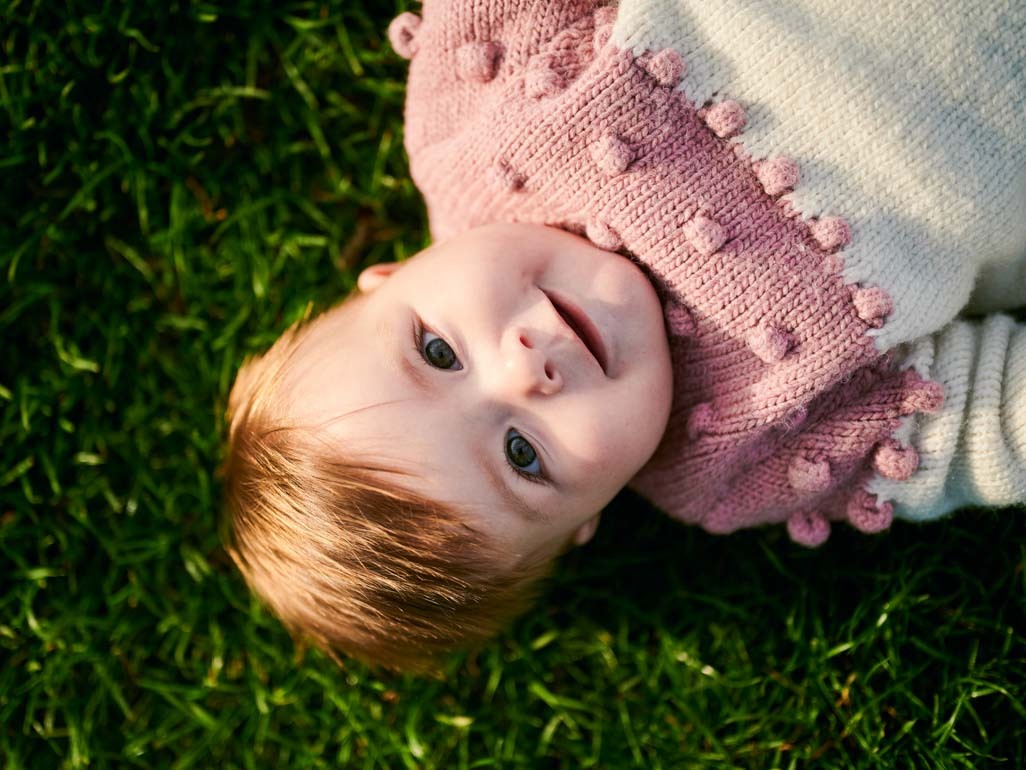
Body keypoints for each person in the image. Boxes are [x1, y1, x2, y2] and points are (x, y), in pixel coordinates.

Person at [220, 0, 1026, 674]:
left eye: (438, 352)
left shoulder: (473, 115)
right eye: (522, 456)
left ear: (391, 276)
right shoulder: (742, 463)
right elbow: (982, 421)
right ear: (584, 521)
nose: (522, 371)